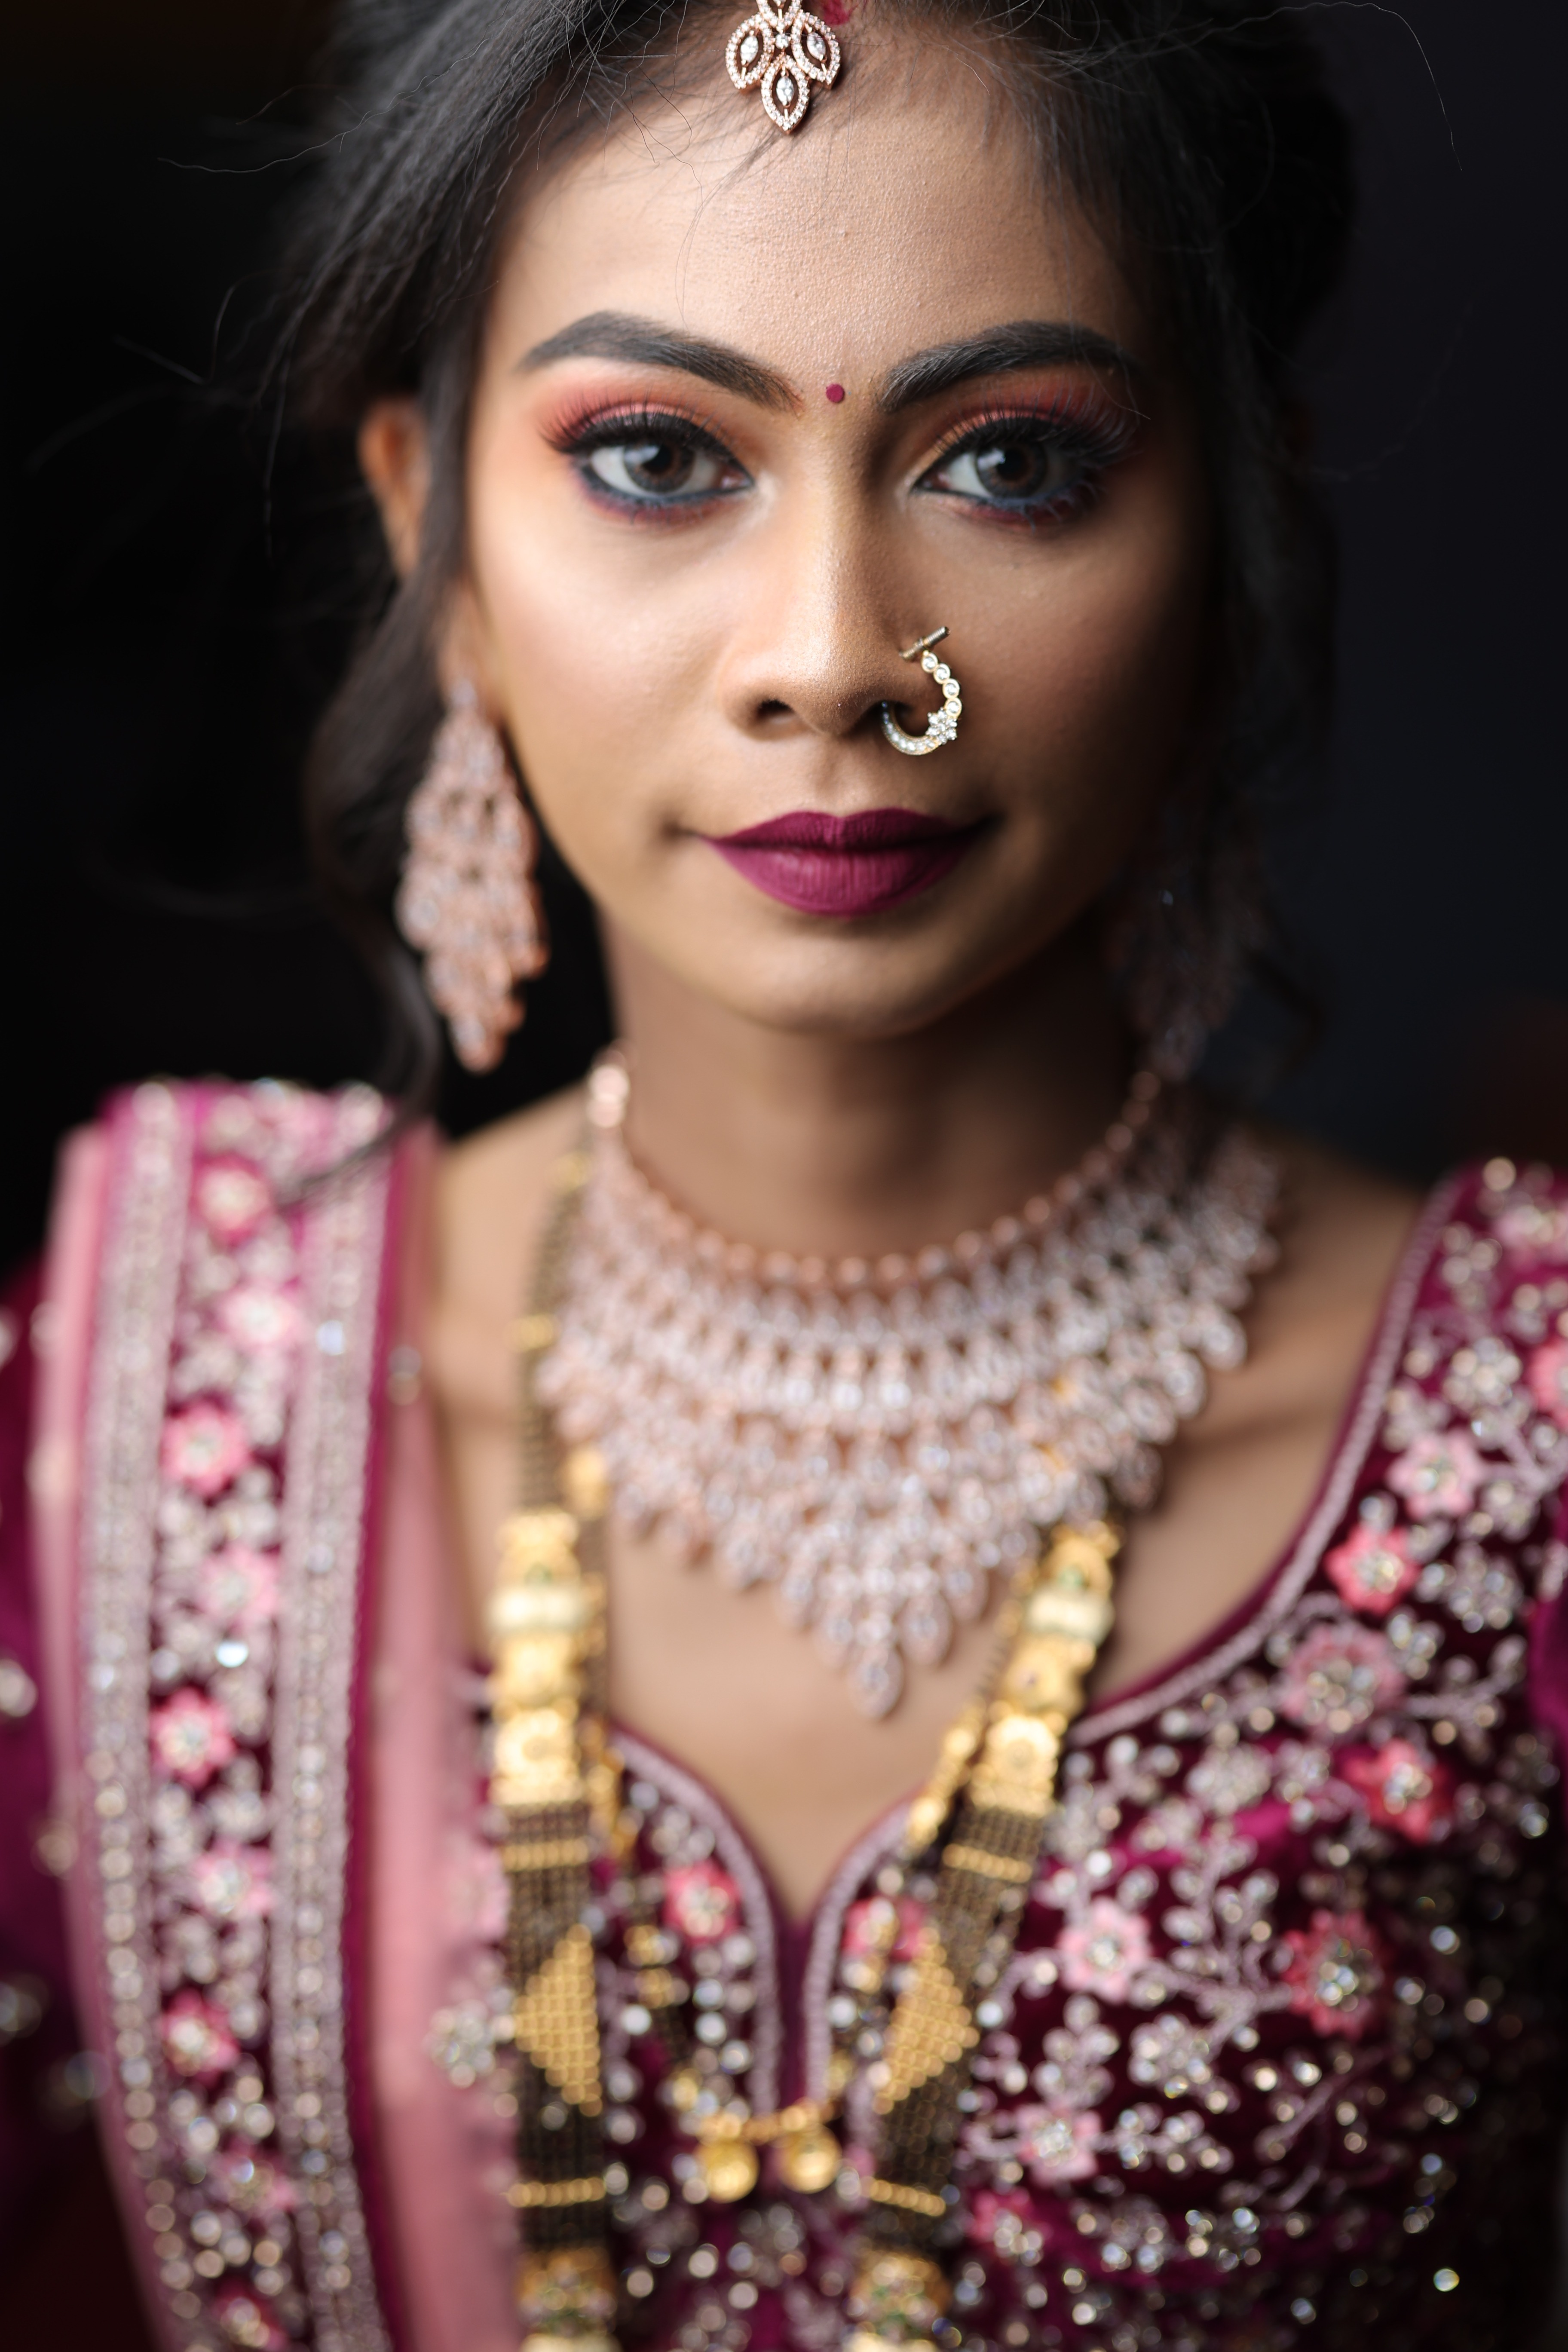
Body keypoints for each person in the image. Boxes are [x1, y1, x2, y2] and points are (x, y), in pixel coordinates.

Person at [1, 2, 1564, 2347]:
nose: (835, 662)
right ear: (429, 521)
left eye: (1015, 465)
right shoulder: (139, 1398)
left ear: (1240, 524)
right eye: (653, 453)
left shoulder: (1517, 1451)